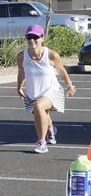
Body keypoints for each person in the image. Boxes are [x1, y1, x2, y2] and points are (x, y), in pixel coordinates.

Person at [16, 24, 76, 153]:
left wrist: (69, 85)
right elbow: (21, 72)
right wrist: (19, 87)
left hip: (52, 91)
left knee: (39, 106)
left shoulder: (51, 55)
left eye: (35, 37)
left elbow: (61, 70)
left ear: (42, 38)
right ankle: (50, 129)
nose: (32, 40)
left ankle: (42, 143)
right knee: (40, 113)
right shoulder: (21, 56)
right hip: (33, 92)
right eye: (28, 37)